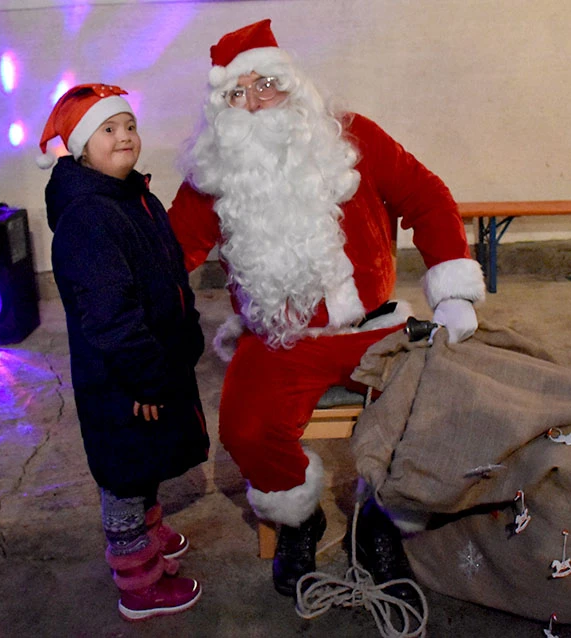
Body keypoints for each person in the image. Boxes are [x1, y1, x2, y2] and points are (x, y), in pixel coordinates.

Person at [168, 19, 486, 596]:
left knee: (427, 414)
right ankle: (299, 520)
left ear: (292, 83)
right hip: (278, 340)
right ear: (223, 109)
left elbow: (427, 196)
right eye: (237, 95)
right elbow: (169, 254)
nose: (255, 104)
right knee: (245, 428)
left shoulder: (351, 136)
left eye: (265, 84)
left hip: (375, 330)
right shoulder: (215, 173)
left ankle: (380, 521)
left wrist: (455, 290)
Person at [38, 83, 210, 620]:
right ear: (82, 148)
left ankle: (148, 532)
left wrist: (186, 330)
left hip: (152, 363)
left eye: (129, 126)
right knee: (125, 472)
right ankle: (137, 580)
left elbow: (167, 272)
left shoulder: (134, 196)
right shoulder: (90, 218)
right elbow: (109, 315)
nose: (125, 137)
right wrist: (145, 379)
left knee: (148, 460)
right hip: (124, 379)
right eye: (108, 130)